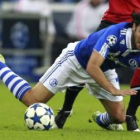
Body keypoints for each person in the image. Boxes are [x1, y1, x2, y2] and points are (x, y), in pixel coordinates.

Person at [0, 12, 140, 130]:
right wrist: (112, 89)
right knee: (32, 100)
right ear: (134, 26)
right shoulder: (115, 35)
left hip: (104, 69)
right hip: (76, 61)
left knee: (118, 117)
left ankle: (98, 118)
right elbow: (92, 66)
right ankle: (1, 65)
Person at [55, 0, 140, 131]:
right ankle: (66, 109)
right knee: (85, 61)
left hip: (138, 25)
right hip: (114, 22)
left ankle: (129, 115)